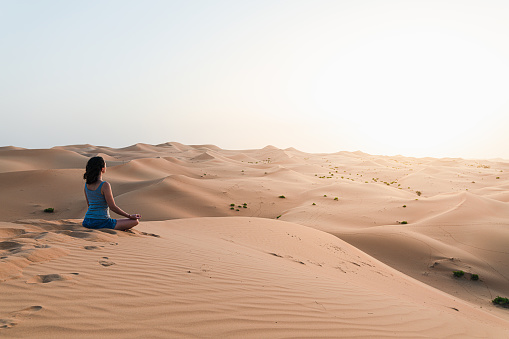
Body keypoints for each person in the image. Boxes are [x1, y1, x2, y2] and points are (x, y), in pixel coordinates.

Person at [82, 156, 141, 231]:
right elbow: (112, 207)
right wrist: (129, 216)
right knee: (135, 221)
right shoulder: (104, 185)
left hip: (87, 222)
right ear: (102, 169)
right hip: (102, 222)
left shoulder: (86, 185)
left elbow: (89, 205)